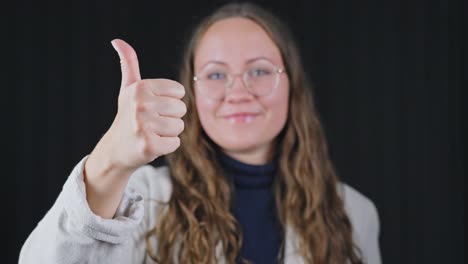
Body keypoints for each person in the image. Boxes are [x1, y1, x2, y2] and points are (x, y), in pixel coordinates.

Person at [19, 2, 381, 264]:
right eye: (216, 74)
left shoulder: (355, 213)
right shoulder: (140, 199)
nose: (238, 92)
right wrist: (110, 160)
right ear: (193, 92)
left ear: (293, 86)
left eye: (259, 71)